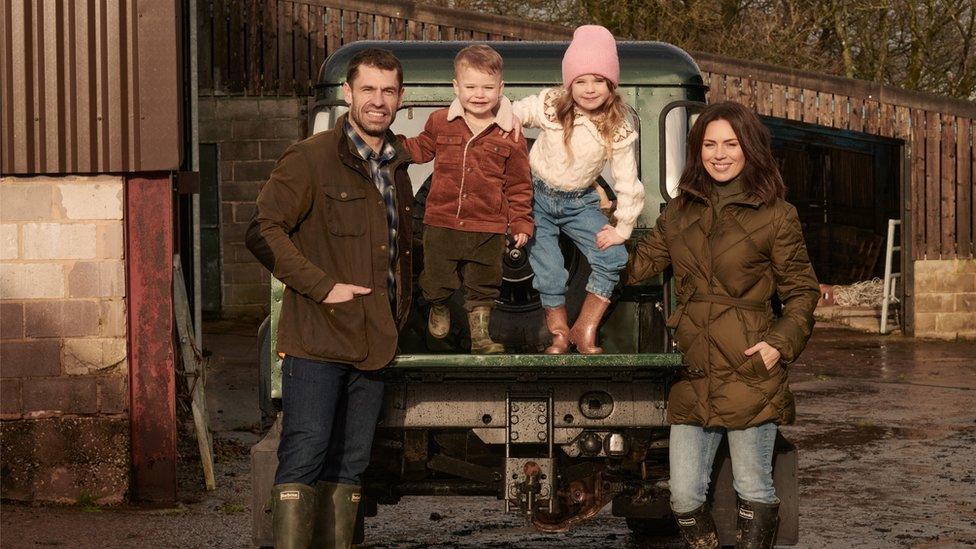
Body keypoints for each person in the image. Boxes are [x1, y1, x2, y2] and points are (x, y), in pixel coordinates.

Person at [623, 101, 820, 549]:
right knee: (684, 498)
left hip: (750, 368)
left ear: (749, 147)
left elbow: (802, 293)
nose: (720, 153)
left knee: (754, 489)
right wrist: (593, 226)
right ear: (698, 151)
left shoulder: (776, 215)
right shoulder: (679, 212)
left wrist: (778, 344)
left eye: (730, 143)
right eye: (709, 144)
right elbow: (637, 268)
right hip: (694, 370)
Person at [245, 48, 414, 548]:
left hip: (375, 340)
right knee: (306, 452)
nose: (377, 101)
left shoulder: (397, 164)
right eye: (368, 90)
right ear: (348, 94)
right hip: (318, 338)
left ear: (400, 98)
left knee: (352, 462)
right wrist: (323, 286)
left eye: (388, 91)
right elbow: (262, 230)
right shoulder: (312, 157)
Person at [511, 25, 644, 355]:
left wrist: (622, 227)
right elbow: (517, 112)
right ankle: (558, 333)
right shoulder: (553, 105)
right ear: (569, 83)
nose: (589, 89)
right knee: (552, 269)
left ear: (611, 84)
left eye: (598, 80)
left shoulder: (617, 125)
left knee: (613, 256)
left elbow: (628, 180)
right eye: (580, 81)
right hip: (536, 197)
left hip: (579, 202)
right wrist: (505, 122)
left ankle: (585, 328)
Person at [403, 45, 533, 354]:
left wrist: (521, 222)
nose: (479, 94)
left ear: (500, 89)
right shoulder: (439, 122)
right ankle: (438, 305)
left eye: (488, 87)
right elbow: (420, 148)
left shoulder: (510, 135)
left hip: (486, 225)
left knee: (483, 283)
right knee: (435, 276)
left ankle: (481, 338)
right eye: (470, 86)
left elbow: (519, 184)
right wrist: (389, 146)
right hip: (441, 220)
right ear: (456, 87)